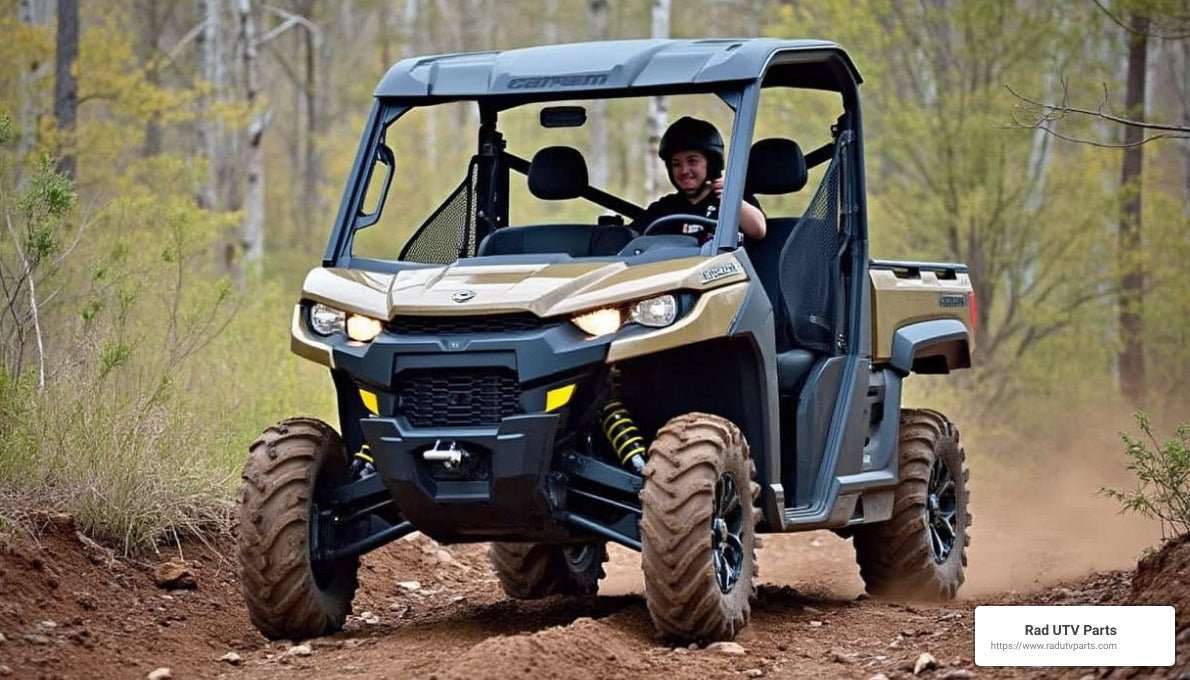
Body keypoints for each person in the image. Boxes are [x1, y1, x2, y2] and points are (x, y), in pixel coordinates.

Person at [631, 116, 766, 244]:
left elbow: (758, 230)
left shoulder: (732, 201)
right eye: (676, 164)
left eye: (692, 161)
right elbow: (630, 236)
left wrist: (732, 199)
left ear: (711, 163)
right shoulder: (665, 207)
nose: (684, 171)